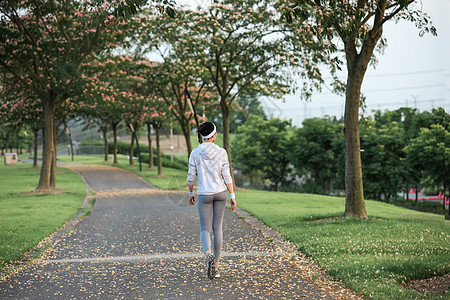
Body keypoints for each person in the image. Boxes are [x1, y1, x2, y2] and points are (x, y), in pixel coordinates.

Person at [187, 122, 237, 280]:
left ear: (202, 136)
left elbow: (191, 176)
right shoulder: (222, 152)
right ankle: (215, 267)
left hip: (204, 194)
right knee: (218, 229)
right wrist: (232, 196)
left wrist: (190, 193)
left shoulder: (195, 152)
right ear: (214, 135)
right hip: (221, 193)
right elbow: (227, 175)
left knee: (205, 229)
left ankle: (208, 254)